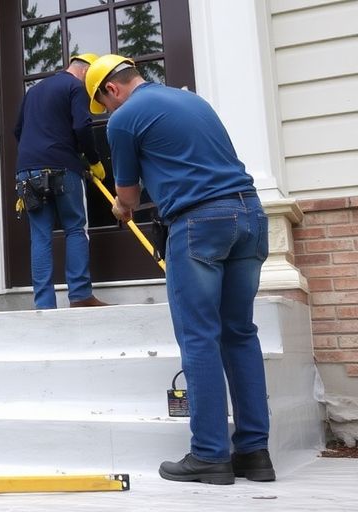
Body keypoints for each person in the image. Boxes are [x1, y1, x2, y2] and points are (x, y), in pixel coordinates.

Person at [87, 54, 274, 485]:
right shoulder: (193, 101)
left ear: (111, 90)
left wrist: (120, 207)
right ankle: (254, 454)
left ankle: (210, 454)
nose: (108, 112)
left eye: (104, 103)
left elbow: (128, 195)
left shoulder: (124, 119)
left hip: (200, 223)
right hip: (250, 217)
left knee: (200, 337)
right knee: (239, 333)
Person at [13, 53, 110, 309]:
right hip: (62, 167)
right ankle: (79, 295)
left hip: (27, 171)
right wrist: (93, 159)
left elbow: (18, 130)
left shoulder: (34, 91)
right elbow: (82, 127)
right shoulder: (75, 86)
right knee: (75, 228)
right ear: (86, 71)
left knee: (40, 236)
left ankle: (44, 304)